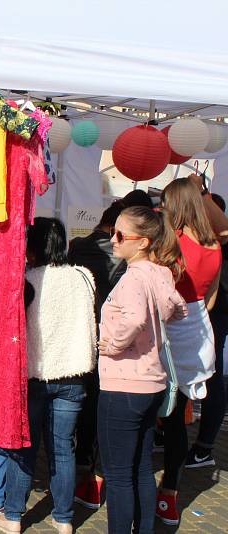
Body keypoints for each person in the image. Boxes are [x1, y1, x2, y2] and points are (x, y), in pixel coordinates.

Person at [0, 218, 97, 534]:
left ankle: (13, 517)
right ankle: (64, 520)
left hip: (35, 376)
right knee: (63, 449)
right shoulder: (83, 277)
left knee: (24, 447)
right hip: (74, 375)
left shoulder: (27, 280)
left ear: (32, 245)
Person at [97, 206, 187, 534]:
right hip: (151, 383)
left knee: (119, 475)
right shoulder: (160, 273)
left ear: (144, 242)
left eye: (121, 235)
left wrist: (114, 343)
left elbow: (136, 318)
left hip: (124, 384)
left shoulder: (135, 276)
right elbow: (177, 308)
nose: (114, 240)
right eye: (113, 233)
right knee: (140, 469)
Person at [156, 178, 222, 526]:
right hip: (197, 329)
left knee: (152, 410)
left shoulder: (174, 243)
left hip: (169, 329)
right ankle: (170, 493)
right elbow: (209, 298)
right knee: (177, 418)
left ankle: (136, 487)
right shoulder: (214, 246)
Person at [67, 200, 126, 508]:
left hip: (82, 329)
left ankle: (81, 456)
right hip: (110, 333)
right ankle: (94, 467)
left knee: (84, 396)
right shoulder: (122, 255)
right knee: (100, 400)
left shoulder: (78, 247)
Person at [186, 192, 228, 469]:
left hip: (213, 320)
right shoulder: (203, 244)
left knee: (210, 377)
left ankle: (204, 448)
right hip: (201, 321)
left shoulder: (217, 243)